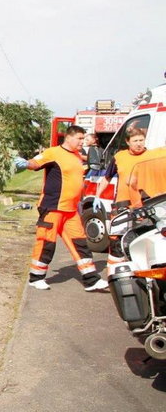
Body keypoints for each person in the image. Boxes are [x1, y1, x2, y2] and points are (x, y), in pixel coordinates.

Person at [25, 124, 108, 292]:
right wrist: (24, 163)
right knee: (47, 242)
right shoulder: (53, 152)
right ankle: (36, 278)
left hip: (70, 210)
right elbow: (34, 163)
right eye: (79, 138)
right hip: (53, 207)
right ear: (68, 137)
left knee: (80, 243)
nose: (82, 142)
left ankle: (91, 280)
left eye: (83, 139)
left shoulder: (77, 156)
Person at [95, 127, 147, 274]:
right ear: (127, 142)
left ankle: (140, 271)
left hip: (144, 205)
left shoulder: (150, 156)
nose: (138, 144)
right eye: (135, 141)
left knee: (141, 238)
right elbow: (107, 177)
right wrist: (98, 195)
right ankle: (114, 271)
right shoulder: (119, 157)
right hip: (122, 205)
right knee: (116, 239)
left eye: (141, 140)